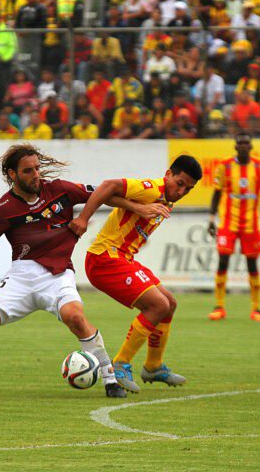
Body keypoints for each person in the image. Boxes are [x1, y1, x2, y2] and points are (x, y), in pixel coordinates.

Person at [0, 144, 166, 398]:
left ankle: (110, 379)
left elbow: (101, 193)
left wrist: (137, 208)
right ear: (12, 174)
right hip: (21, 277)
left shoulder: (59, 190)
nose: (36, 174)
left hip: (58, 276)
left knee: (75, 318)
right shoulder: (1, 209)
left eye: (37, 168)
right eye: (28, 171)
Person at [69, 155, 203, 393]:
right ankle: (120, 364)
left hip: (123, 258)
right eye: (180, 183)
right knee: (158, 305)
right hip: (105, 258)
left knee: (169, 304)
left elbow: (115, 199)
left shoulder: (166, 200)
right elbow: (107, 186)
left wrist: (135, 208)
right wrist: (83, 218)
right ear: (168, 175)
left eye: (189, 189)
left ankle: (153, 366)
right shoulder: (150, 189)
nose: (182, 191)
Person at [207, 132, 260, 322]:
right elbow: (216, 194)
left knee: (252, 265)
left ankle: (256, 309)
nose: (243, 146)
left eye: (246, 143)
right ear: (235, 146)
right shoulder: (224, 166)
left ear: (250, 146)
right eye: (240, 143)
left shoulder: (259, 166)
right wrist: (211, 219)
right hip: (228, 223)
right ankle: (219, 306)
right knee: (223, 261)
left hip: (251, 224)